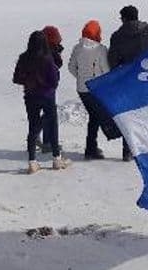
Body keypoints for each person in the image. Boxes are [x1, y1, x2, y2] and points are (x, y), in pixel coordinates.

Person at [108, 5, 148, 161]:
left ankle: (128, 151)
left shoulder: (117, 36)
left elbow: (113, 61)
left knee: (129, 117)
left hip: (127, 82)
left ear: (124, 18)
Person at [14, 29, 67, 173]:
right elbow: (54, 81)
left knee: (32, 125)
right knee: (51, 121)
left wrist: (29, 81)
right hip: (46, 95)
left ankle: (32, 161)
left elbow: (16, 78)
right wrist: (44, 84)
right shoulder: (47, 59)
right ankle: (57, 158)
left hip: (30, 95)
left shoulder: (23, 58)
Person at [68, 20, 115, 160]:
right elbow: (106, 70)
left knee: (94, 117)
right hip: (96, 89)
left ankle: (91, 147)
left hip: (82, 89)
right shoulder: (101, 50)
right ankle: (90, 148)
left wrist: (81, 78)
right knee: (96, 117)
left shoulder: (77, 48)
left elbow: (71, 67)